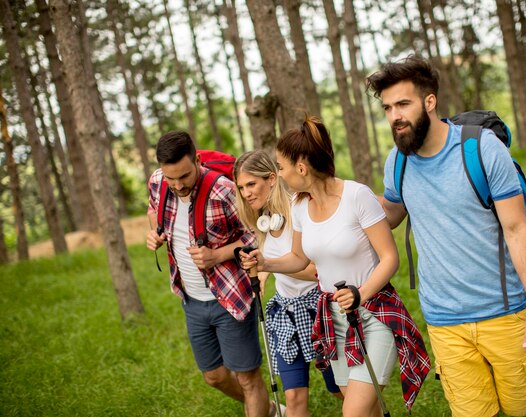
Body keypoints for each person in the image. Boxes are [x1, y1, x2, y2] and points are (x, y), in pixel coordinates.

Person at [366, 56, 526, 417]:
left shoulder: (483, 148)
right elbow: (391, 212)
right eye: (388, 107)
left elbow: (517, 230)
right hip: (443, 318)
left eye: (403, 104)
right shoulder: (398, 160)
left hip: (503, 311)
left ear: (429, 101)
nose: (395, 116)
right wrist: (345, 201)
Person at [239, 116, 430, 417]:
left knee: (352, 412)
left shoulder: (357, 196)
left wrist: (361, 293)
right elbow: (300, 259)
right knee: (366, 411)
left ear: (301, 168)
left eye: (281, 167)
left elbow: (390, 257)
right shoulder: (301, 206)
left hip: (373, 314)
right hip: (333, 321)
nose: (279, 174)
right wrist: (266, 262)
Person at [145, 131, 282, 417]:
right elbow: (153, 210)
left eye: (184, 176)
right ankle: (266, 409)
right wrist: (154, 234)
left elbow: (257, 235)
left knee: (247, 378)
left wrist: (217, 255)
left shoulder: (223, 191)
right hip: (191, 300)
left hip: (230, 297)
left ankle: (258, 406)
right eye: (172, 178)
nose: (178, 185)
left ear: (197, 160)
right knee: (214, 376)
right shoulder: (158, 182)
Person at [234, 150, 343, 417]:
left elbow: (316, 272)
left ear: (272, 179)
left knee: (340, 389)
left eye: (251, 184)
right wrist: (263, 274)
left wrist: (271, 266)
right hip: (286, 314)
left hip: (319, 312)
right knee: (293, 398)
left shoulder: (300, 212)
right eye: (241, 187)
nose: (246, 193)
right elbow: (275, 255)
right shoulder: (263, 221)